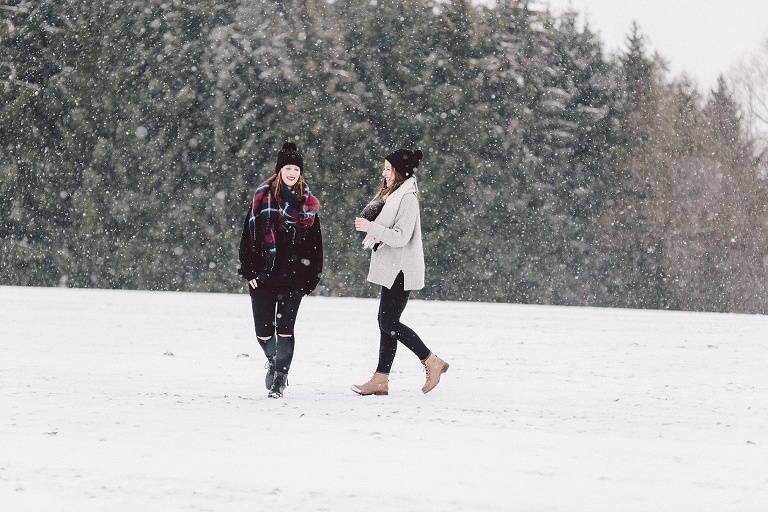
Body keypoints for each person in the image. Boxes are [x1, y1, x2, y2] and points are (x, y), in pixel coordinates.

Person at [351, 149, 449, 396]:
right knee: (386, 323)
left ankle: (430, 360)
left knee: (388, 322)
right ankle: (381, 379)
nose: (383, 173)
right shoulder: (393, 195)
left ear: (399, 172)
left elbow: (401, 237)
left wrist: (371, 227)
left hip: (401, 270)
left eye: (387, 169)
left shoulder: (406, 199)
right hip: (392, 269)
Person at [238, 142, 323, 398]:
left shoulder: (307, 204)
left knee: (285, 329)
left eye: (296, 168)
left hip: (294, 277)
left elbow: (315, 246)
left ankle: (280, 379)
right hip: (263, 275)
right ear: (279, 170)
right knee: (263, 333)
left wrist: (312, 279)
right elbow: (247, 238)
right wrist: (249, 271)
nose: (292, 173)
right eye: (288, 167)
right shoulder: (261, 198)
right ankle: (274, 361)